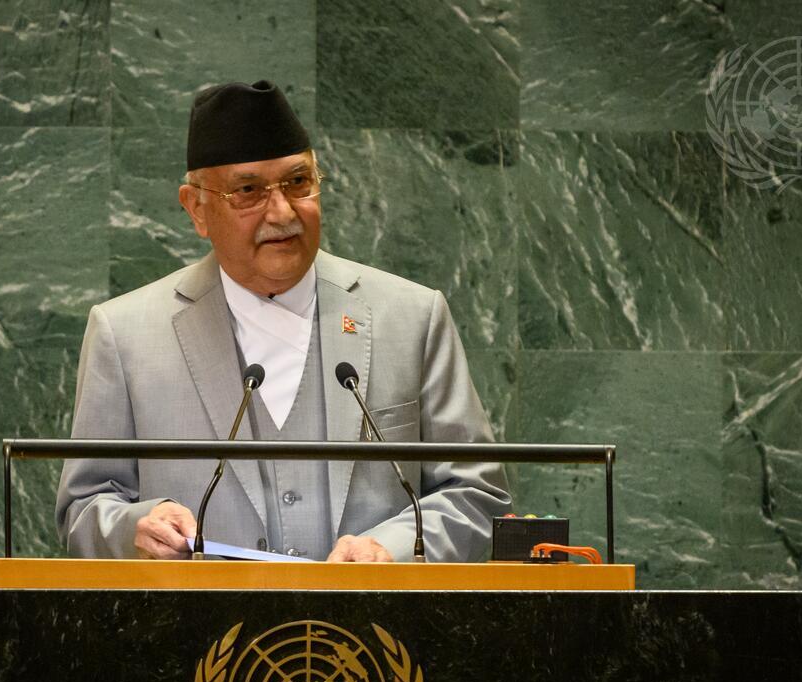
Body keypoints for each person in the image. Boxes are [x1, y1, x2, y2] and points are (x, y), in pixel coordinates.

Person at [55, 80, 510, 562]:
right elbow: (83, 507)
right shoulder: (125, 334)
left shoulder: (412, 317)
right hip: (196, 632)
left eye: (298, 183)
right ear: (197, 209)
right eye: (248, 191)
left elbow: (477, 494)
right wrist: (134, 529)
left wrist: (392, 549)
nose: (282, 211)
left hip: (374, 631)